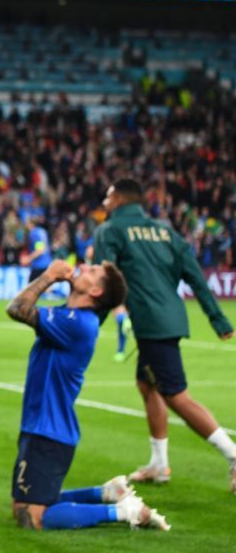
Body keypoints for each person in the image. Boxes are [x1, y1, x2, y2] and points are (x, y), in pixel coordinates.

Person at [93, 178, 236, 491]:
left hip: (152, 323)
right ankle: (159, 464)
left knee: (176, 396)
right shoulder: (166, 231)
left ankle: (233, 455)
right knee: (148, 385)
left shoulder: (111, 230)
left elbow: (103, 279)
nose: (104, 203)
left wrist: (89, 321)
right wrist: (218, 319)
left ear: (118, 199)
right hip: (168, 317)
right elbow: (195, 276)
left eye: (107, 197)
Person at [6, 259, 169, 531]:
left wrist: (49, 276)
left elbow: (17, 308)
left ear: (95, 292)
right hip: (41, 425)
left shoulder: (79, 323)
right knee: (19, 507)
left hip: (49, 431)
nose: (84, 267)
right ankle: (105, 493)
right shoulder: (70, 316)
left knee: (33, 519)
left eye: (93, 271)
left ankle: (122, 511)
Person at [22, 215, 52, 282]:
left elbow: (40, 250)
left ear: (31, 224)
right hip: (47, 263)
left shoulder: (34, 233)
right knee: (45, 287)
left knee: (31, 288)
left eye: (27, 223)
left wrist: (28, 258)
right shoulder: (43, 231)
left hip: (39, 265)